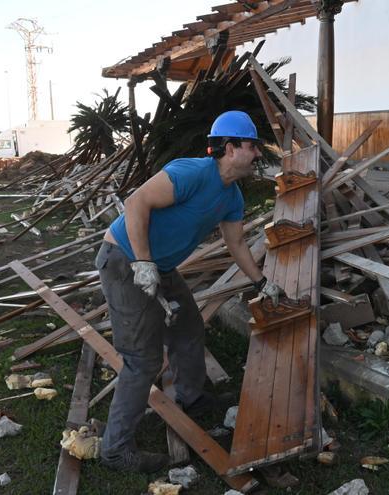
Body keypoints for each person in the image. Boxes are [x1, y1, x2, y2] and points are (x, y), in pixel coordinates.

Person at [95, 110, 282, 473]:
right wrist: (143, 263)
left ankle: (192, 397)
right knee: (142, 359)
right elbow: (136, 203)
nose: (258, 154)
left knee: (189, 329)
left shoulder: (232, 197)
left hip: (158, 267)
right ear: (229, 147)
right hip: (123, 260)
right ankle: (115, 450)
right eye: (252, 146)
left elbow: (237, 244)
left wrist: (262, 283)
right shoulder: (193, 172)